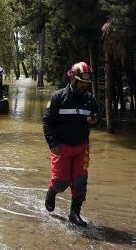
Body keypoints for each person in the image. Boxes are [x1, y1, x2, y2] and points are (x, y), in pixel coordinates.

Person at [42, 61, 100, 226]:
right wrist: (52, 143)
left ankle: (74, 214)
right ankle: (52, 193)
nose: (84, 86)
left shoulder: (89, 99)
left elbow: (97, 115)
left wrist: (94, 119)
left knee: (80, 183)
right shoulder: (58, 97)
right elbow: (47, 121)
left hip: (82, 147)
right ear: (73, 79)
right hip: (61, 147)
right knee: (62, 181)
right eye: (82, 82)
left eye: (86, 83)